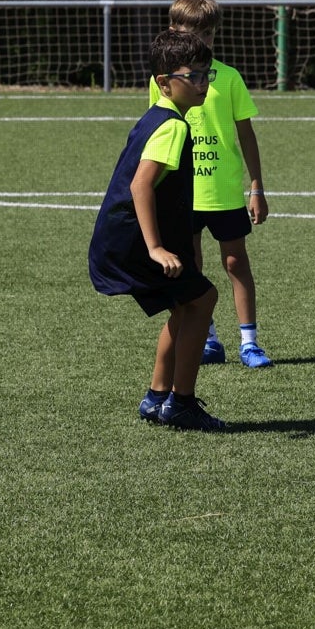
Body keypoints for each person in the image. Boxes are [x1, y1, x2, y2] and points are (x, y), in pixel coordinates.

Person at [89, 30, 226, 431]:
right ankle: (180, 403)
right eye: (193, 76)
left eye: (206, 74)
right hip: (134, 243)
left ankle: (156, 397)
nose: (202, 84)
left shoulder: (156, 117)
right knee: (203, 299)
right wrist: (155, 248)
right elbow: (140, 185)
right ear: (164, 83)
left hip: (119, 239)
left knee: (187, 304)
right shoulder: (172, 127)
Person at [149, 0, 272, 368]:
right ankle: (209, 340)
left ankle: (249, 342)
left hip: (224, 192)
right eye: (195, 32)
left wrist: (256, 186)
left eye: (209, 33)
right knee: (192, 267)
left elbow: (246, 135)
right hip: (184, 194)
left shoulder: (229, 77)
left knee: (236, 262)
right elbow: (158, 134)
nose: (203, 40)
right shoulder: (164, 81)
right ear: (175, 31)